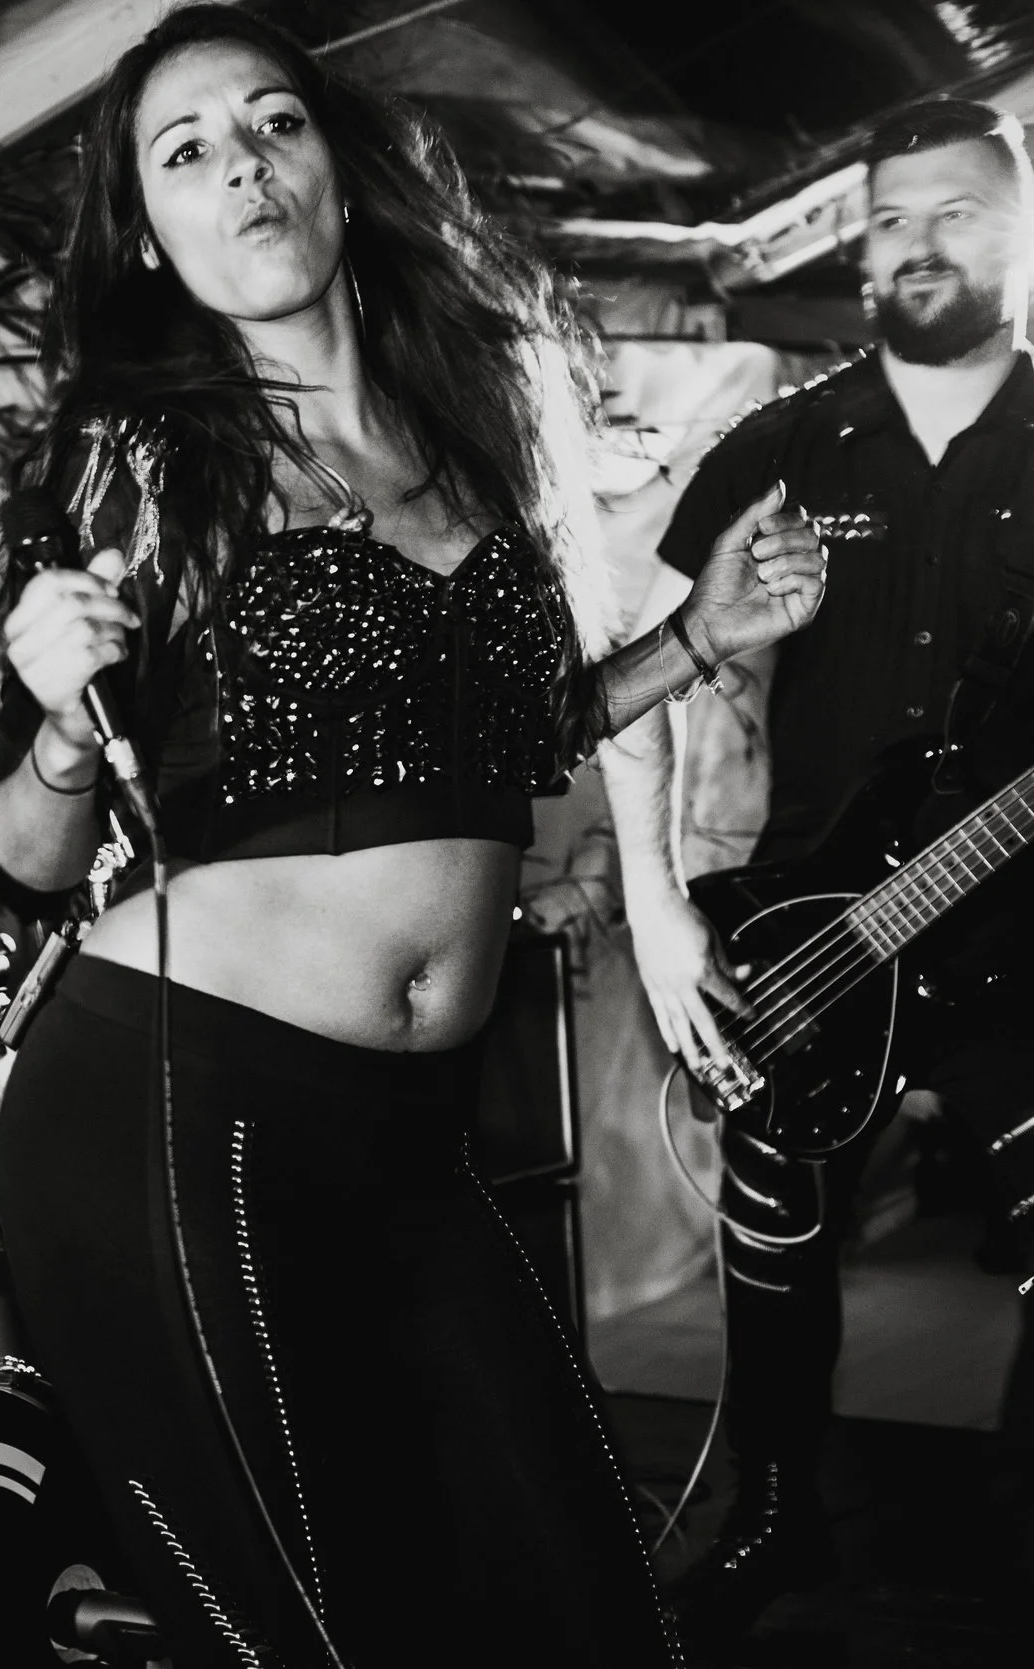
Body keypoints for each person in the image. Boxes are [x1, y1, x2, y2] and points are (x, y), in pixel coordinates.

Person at [0, 7, 823, 1664]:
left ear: (336, 172)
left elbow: (502, 741)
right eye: (189, 149)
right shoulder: (147, 461)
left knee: (582, 1599)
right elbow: (21, 850)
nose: (244, 167)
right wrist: (68, 717)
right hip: (180, 1117)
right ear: (150, 232)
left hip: (413, 1139)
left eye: (270, 122)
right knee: (328, 1634)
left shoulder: (464, 444)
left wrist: (697, 639)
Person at [604, 96, 1034, 1646]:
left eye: (961, 211)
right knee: (775, 1279)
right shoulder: (786, 441)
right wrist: (657, 913)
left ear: (1022, 228)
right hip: (816, 935)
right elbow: (631, 670)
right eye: (894, 216)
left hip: (1022, 953)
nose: (924, 242)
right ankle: (774, 1522)